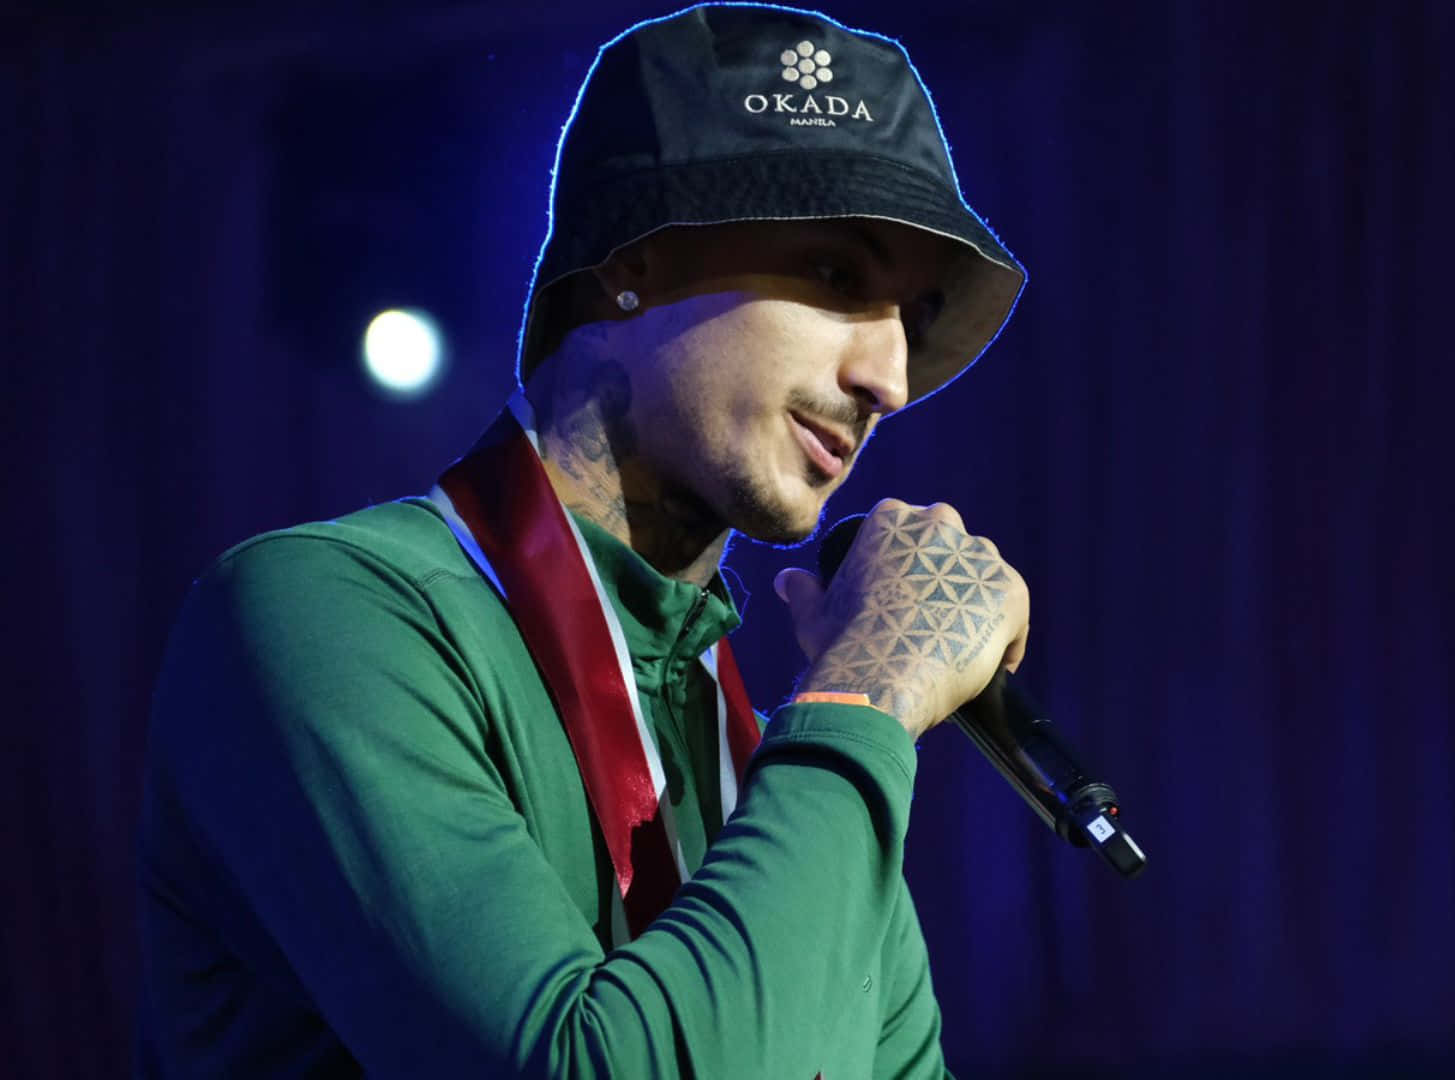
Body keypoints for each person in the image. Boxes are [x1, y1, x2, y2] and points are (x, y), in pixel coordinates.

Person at [137, 4, 1030, 1075]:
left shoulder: (775, 760)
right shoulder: (320, 614)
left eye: (913, 319)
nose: (888, 379)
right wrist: (872, 691)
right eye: (838, 276)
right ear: (633, 259)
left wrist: (848, 715)